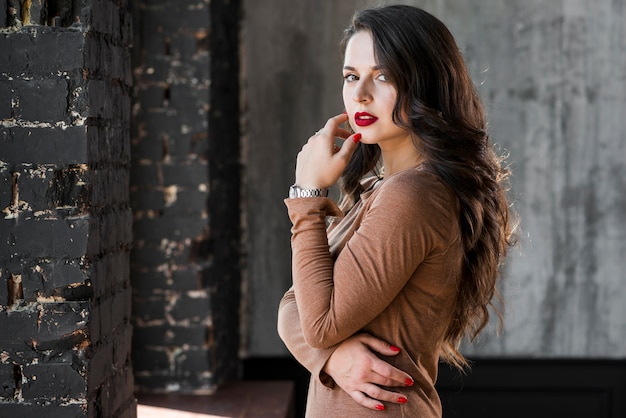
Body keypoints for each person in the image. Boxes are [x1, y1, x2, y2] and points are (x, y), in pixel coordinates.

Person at [278, 5, 517, 417]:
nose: (360, 94)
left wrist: (308, 194)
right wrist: (331, 359)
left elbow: (317, 323)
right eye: (351, 76)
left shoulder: (413, 195)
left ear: (425, 84)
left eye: (383, 75)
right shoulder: (376, 189)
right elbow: (292, 305)